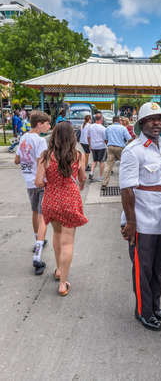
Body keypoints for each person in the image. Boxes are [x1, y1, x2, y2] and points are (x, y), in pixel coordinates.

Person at [119, 102, 161, 332]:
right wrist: (131, 222)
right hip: (142, 220)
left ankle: (155, 305)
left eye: (159, 118)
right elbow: (126, 189)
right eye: (151, 119)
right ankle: (144, 310)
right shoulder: (133, 150)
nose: (157, 122)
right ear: (142, 123)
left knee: (158, 269)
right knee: (143, 269)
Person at [35, 121, 87, 295]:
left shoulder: (45, 156)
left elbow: (38, 182)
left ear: (54, 136)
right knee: (68, 241)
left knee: (57, 235)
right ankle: (63, 283)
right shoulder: (78, 155)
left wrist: (51, 181)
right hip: (70, 200)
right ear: (72, 137)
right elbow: (83, 178)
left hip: (51, 200)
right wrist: (78, 185)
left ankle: (58, 270)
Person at [14, 111, 51, 275]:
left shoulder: (23, 138)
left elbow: (17, 160)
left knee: (35, 211)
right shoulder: (40, 141)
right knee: (43, 216)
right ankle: (37, 256)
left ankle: (38, 239)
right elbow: (41, 162)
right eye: (47, 123)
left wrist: (26, 159)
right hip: (40, 182)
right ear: (39, 124)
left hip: (28, 181)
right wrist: (40, 179)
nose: (49, 126)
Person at [101, 116, 132, 189]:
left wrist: (108, 145)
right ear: (119, 121)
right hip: (120, 148)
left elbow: (105, 139)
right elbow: (129, 138)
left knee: (108, 166)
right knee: (124, 165)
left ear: (113, 121)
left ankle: (104, 183)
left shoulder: (108, 128)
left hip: (110, 147)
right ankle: (125, 183)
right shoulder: (123, 128)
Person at [87, 112, 106, 181]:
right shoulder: (103, 128)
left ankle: (91, 172)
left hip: (93, 146)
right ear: (101, 119)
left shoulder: (90, 127)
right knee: (101, 161)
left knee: (94, 160)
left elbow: (88, 137)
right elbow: (105, 139)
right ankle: (100, 177)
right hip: (101, 146)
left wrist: (90, 145)